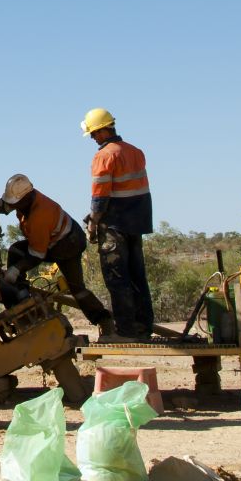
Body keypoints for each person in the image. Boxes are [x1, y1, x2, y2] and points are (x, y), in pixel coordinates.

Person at [0, 173, 115, 336]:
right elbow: (9, 206)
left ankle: (105, 321)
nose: (13, 205)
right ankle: (21, 299)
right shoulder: (26, 199)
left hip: (69, 244)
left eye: (14, 202)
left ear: (25, 198)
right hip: (52, 241)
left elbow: (36, 255)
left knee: (77, 288)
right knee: (16, 251)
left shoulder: (40, 214)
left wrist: (15, 270)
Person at [81, 107, 155, 340]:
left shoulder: (104, 156)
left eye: (94, 133)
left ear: (104, 130)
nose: (93, 138)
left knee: (117, 278)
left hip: (115, 225)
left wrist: (93, 223)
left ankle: (125, 331)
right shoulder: (135, 152)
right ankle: (143, 328)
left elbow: (100, 196)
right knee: (137, 276)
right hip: (137, 223)